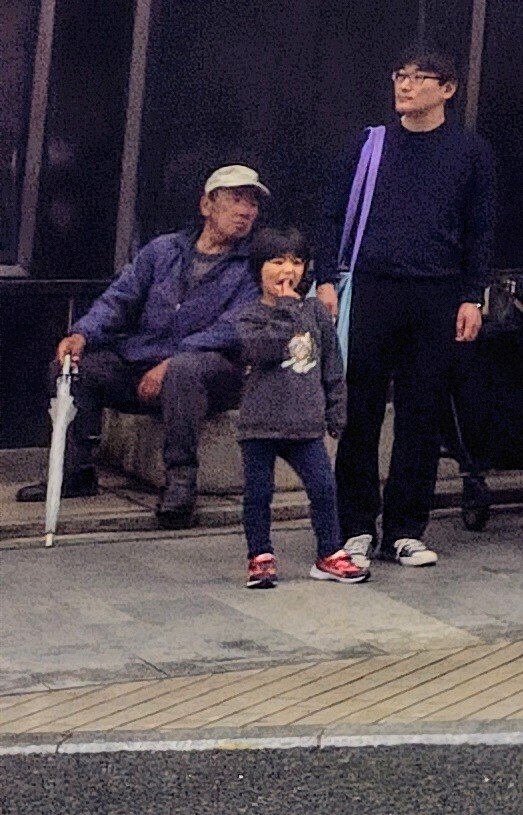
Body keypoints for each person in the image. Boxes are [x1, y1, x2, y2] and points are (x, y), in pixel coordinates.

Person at [22, 165, 265, 525]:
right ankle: (75, 471)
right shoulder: (163, 250)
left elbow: (233, 327)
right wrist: (83, 334)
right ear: (206, 205)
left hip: (210, 372)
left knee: (184, 370)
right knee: (73, 367)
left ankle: (181, 484)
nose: (246, 211)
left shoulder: (252, 265)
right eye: (236, 200)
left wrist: (172, 361)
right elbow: (119, 299)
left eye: (253, 204)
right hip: (142, 359)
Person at [331, 47, 496, 572]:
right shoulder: (370, 144)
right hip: (372, 289)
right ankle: (354, 525)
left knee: (422, 413)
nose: (405, 86)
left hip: (438, 293)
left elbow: (480, 230)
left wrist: (473, 295)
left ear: (447, 89)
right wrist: (325, 279)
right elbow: (333, 209)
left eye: (419, 78)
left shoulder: (470, 151)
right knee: (360, 411)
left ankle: (405, 528)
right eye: (399, 76)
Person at [232, 225, 363, 587]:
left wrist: (337, 410)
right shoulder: (249, 315)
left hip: (305, 426)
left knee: (323, 489)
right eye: (277, 262)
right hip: (260, 425)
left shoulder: (317, 313)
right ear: (258, 268)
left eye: (297, 262)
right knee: (259, 494)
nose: (288, 271)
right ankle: (260, 556)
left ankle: (329, 553)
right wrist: (287, 309)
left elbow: (331, 365)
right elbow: (266, 349)